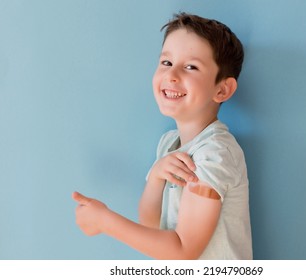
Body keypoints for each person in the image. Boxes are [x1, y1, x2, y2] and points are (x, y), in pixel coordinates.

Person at [72, 12, 252, 260]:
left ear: (222, 89)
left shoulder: (215, 153)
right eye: (166, 63)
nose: (172, 75)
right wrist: (156, 175)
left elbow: (183, 251)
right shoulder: (169, 144)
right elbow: (149, 224)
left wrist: (105, 221)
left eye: (191, 67)